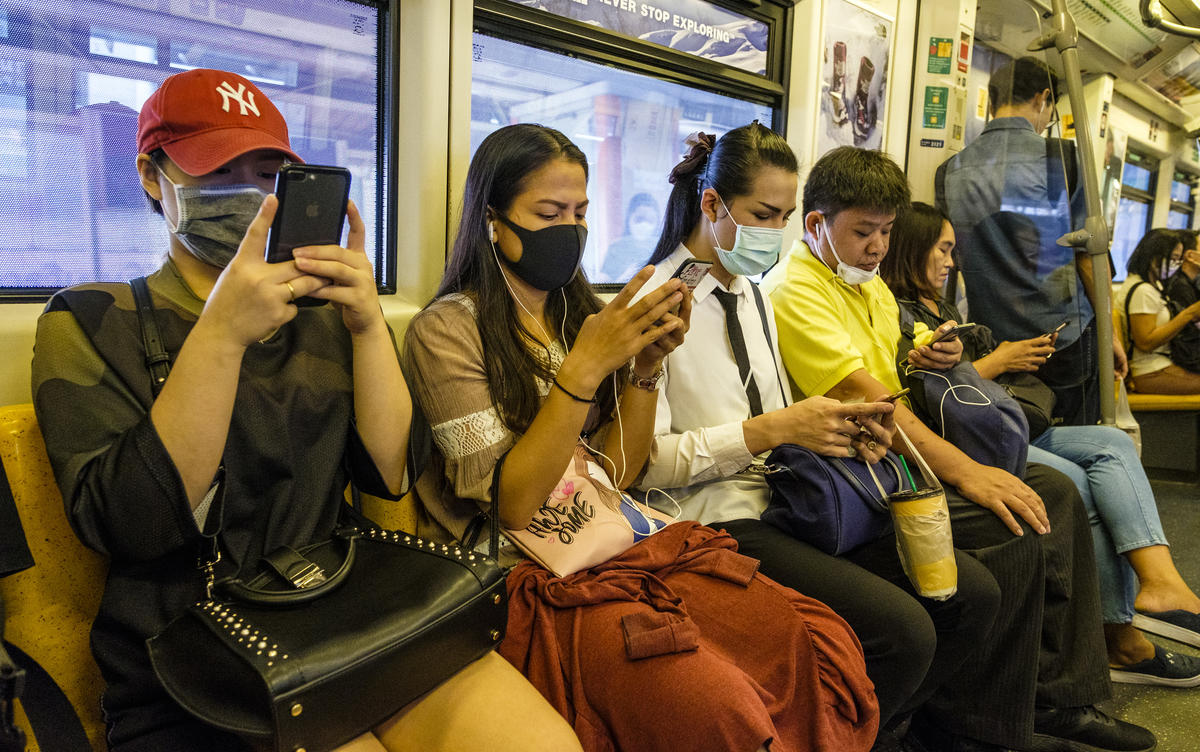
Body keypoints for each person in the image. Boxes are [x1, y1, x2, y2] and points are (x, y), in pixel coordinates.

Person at [30, 69, 581, 752]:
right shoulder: (90, 319)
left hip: (343, 611)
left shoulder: (320, 318)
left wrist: (366, 326)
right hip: (193, 660)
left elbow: (391, 474)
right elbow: (134, 522)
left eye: (268, 173)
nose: (251, 195)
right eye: (219, 170)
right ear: (153, 176)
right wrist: (223, 332)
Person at [402, 122, 880, 752]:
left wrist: (647, 370)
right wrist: (584, 372)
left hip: (625, 537)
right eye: (549, 212)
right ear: (493, 221)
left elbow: (620, 473)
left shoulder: (582, 315)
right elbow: (511, 506)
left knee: (810, 640)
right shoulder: (447, 331)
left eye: (580, 213)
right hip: (532, 569)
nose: (570, 229)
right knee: (718, 706)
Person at [763, 146, 1156, 752]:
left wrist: (933, 355)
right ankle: (977, 727)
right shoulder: (797, 291)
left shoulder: (864, 285)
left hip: (897, 458)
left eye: (887, 232)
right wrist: (970, 474)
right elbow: (875, 404)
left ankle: (1054, 699)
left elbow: (899, 362)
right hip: (858, 470)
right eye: (863, 231)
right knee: (1015, 520)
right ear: (816, 224)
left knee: (1053, 490)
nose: (877, 247)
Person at [636, 123, 1000, 748]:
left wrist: (836, 427)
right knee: (903, 633)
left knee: (973, 595)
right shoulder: (654, 303)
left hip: (793, 498)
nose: (774, 233)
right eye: (762, 214)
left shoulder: (749, 294)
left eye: (782, 217)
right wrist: (769, 431)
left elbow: (782, 411)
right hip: (714, 518)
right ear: (711, 204)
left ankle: (872, 733)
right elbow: (642, 465)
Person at [883, 201, 1200, 685]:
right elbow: (926, 399)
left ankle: (1160, 581)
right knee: (1074, 483)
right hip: (973, 434)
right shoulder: (894, 312)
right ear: (914, 249)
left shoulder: (943, 304)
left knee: (1111, 444)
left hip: (1007, 416)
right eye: (943, 249)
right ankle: (1119, 635)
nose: (951, 261)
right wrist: (1001, 358)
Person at [936, 55, 1127, 426]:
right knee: (1080, 443)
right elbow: (1089, 259)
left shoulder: (950, 171)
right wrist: (1111, 336)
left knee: (1012, 440)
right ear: (1042, 99)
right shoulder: (1065, 159)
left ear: (991, 102)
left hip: (994, 344)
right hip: (1064, 342)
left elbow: (952, 260)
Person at [1121, 228, 1200, 394]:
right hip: (1150, 370)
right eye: (1172, 259)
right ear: (1153, 256)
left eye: (1178, 260)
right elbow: (1145, 342)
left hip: (1161, 364)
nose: (1175, 265)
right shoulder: (1143, 291)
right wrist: (1190, 313)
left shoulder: (1153, 287)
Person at [600, 192, 660, 281]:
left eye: (649, 220)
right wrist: (623, 279)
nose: (644, 224)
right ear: (629, 219)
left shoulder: (661, 248)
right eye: (639, 218)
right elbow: (602, 282)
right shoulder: (616, 248)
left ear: (657, 222)